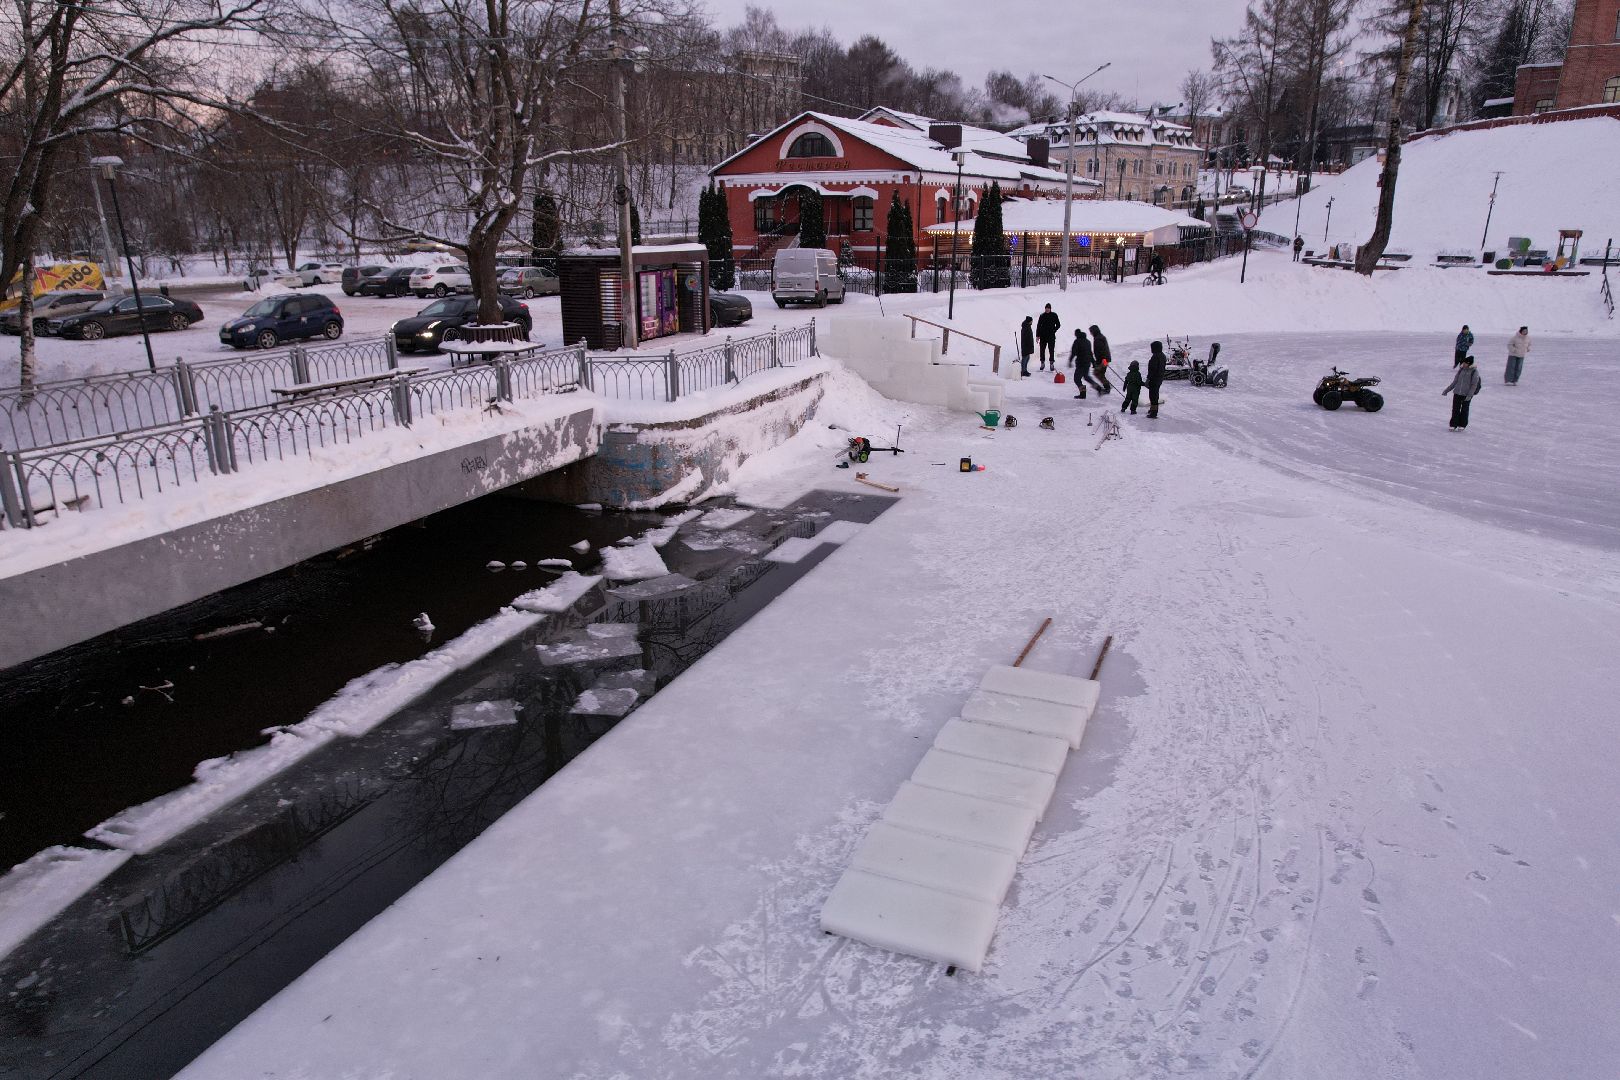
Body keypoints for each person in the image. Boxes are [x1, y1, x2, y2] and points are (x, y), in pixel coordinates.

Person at [1442, 355, 1482, 429]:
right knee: (1455, 409)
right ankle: (1453, 424)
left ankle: (1462, 424)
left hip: (1466, 394)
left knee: (1464, 409)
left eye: (1464, 363)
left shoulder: (1474, 372)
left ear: (1469, 363)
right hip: (1457, 393)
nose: (1463, 364)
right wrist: (1447, 390)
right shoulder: (1461, 370)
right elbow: (1455, 382)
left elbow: (1474, 385)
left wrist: (1469, 395)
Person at [1069, 328, 1097, 398]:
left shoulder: (1077, 341)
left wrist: (1070, 361)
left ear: (1076, 334)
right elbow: (1090, 353)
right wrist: (1093, 362)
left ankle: (1083, 394)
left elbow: (1073, 352)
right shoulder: (1088, 341)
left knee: (1077, 379)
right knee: (1086, 377)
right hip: (1087, 363)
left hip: (1081, 363)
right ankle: (1098, 388)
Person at [1035, 304, 1060, 371]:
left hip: (1051, 336)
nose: (1047, 309)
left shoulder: (1054, 315)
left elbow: (1058, 325)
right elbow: (1038, 326)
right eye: (1046, 308)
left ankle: (1051, 363)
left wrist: (1053, 330)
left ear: (1050, 309)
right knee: (1042, 350)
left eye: (1048, 308)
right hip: (1043, 336)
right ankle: (1042, 363)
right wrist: (1037, 336)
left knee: (1051, 350)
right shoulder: (1042, 316)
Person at [1146, 339, 1167, 418]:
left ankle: (1154, 412)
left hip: (1154, 379)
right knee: (1155, 394)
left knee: (1153, 395)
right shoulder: (1163, 355)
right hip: (1160, 378)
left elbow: (1152, 369)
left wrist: (1148, 379)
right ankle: (1153, 409)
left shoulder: (1155, 357)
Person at [1090, 324, 1113, 393]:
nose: (1090, 333)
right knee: (1100, 373)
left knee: (1097, 372)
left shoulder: (1098, 339)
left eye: (1091, 331)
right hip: (1105, 359)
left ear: (1094, 331)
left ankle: (1107, 387)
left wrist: (1101, 360)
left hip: (1103, 360)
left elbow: (1101, 351)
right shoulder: (1100, 337)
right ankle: (1107, 387)